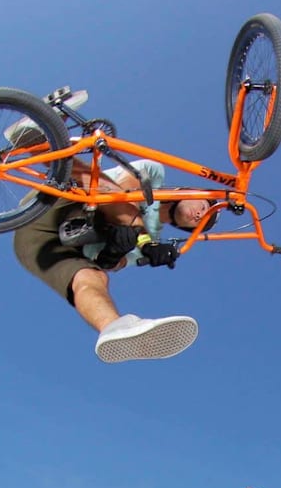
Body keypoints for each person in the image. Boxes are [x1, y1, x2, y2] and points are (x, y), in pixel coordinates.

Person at [12, 144, 214, 362]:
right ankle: (36, 142)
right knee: (112, 195)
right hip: (59, 202)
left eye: (201, 222)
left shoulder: (153, 239)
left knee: (93, 277)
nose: (200, 215)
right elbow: (123, 191)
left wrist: (114, 252)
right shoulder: (154, 174)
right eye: (204, 207)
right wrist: (142, 237)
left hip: (37, 241)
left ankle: (114, 326)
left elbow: (110, 262)